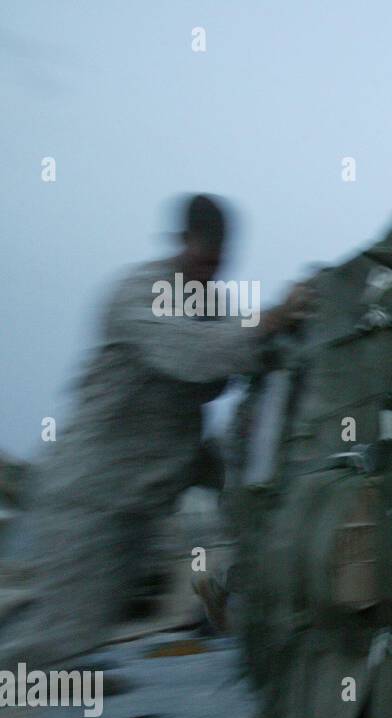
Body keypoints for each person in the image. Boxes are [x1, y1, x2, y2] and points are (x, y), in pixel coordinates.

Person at [0, 195, 312, 673]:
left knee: (84, 642)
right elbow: (194, 356)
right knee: (55, 647)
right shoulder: (137, 293)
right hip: (89, 496)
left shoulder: (213, 304)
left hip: (145, 494)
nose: (211, 273)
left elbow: (240, 356)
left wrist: (297, 327)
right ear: (182, 242)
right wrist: (269, 321)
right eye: (204, 261)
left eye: (220, 264)